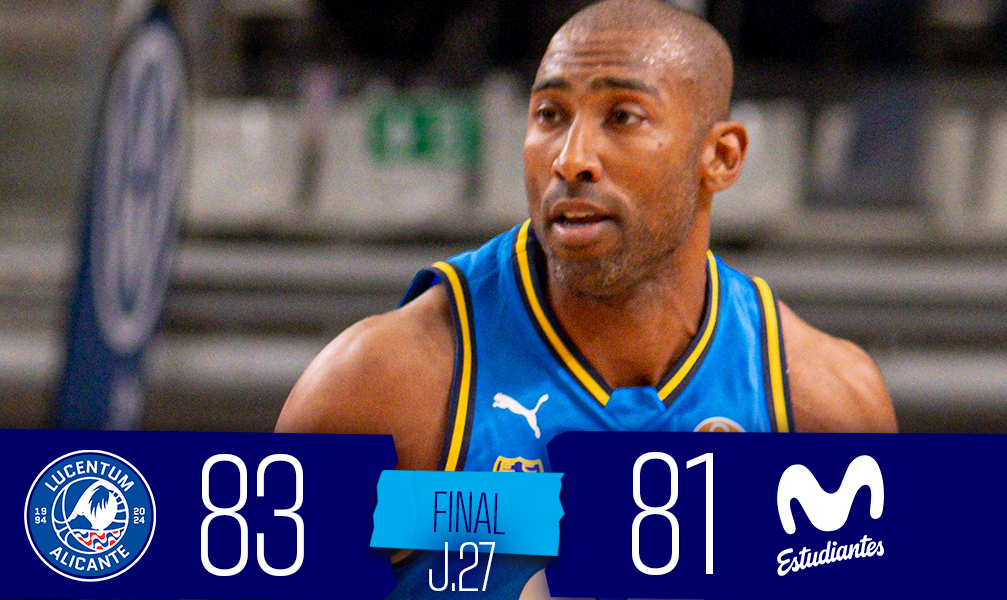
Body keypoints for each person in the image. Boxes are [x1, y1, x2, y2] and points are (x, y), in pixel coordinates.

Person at [275, 0, 896, 597]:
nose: (572, 159)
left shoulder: (824, 404)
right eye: (550, 115)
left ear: (721, 156)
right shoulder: (381, 382)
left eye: (623, 116)